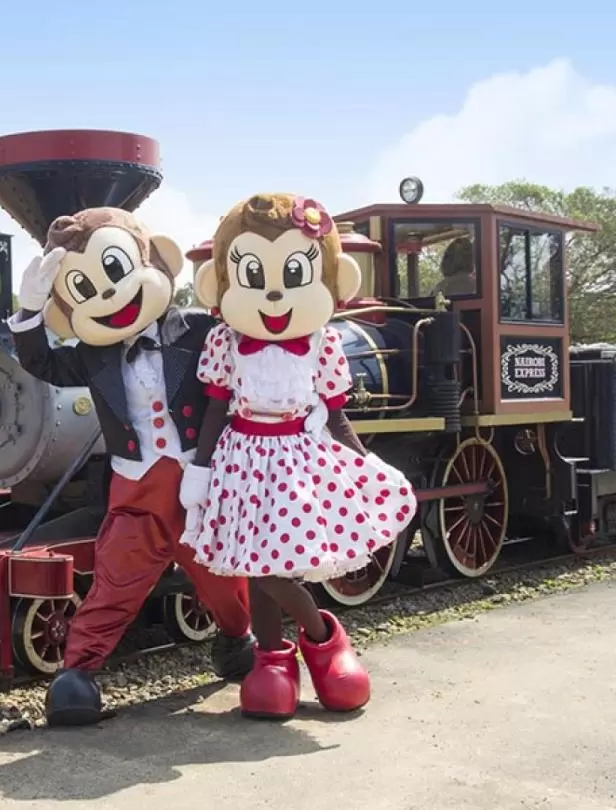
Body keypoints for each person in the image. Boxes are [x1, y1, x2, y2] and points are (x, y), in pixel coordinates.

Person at [8, 207, 256, 727]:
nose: (108, 298)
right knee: (115, 578)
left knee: (220, 578)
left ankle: (239, 639)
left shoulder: (197, 330)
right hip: (134, 487)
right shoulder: (91, 354)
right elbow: (41, 365)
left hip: (198, 484)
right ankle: (77, 673)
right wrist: (29, 312)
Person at [179, 193, 418, 720]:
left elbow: (334, 414)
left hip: (298, 461)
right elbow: (216, 409)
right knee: (257, 563)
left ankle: (322, 640)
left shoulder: (322, 344)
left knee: (269, 564)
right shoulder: (223, 341)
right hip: (241, 460)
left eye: (292, 272)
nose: (272, 291)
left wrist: (364, 466)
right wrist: (199, 467)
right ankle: (273, 662)